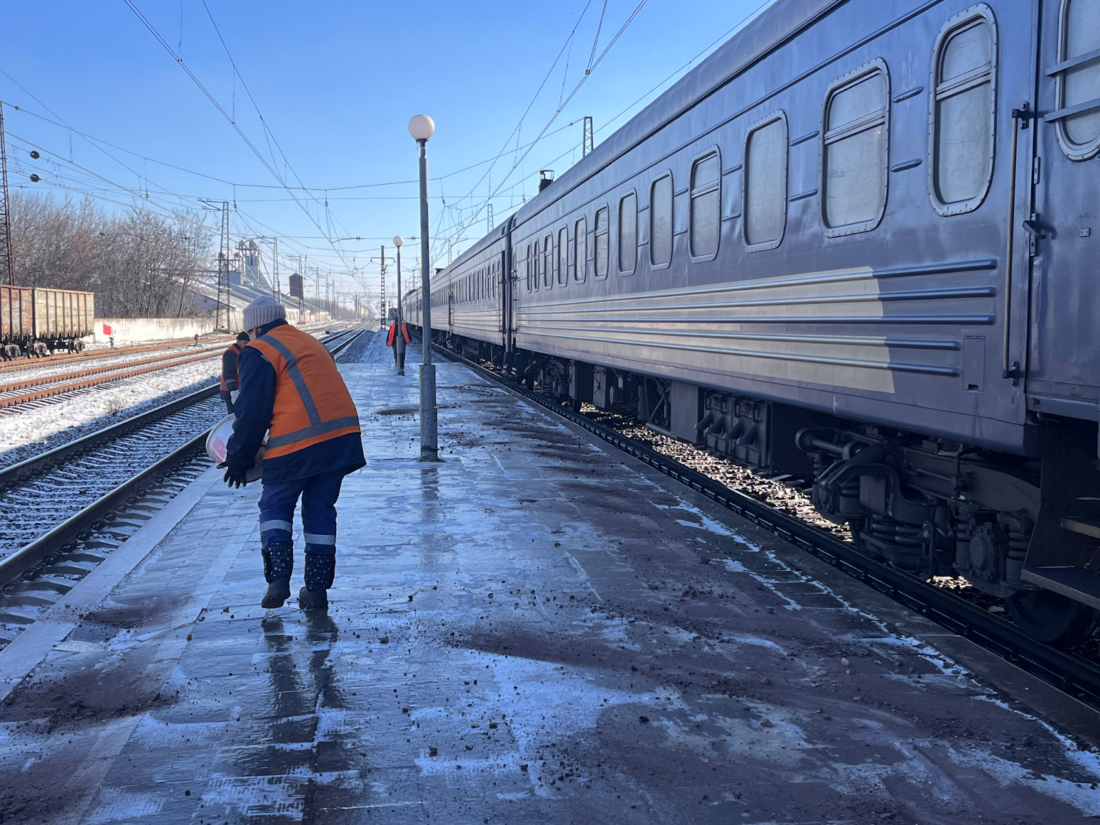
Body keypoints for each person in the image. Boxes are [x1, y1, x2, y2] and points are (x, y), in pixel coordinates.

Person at [222, 295, 365, 611]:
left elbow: (252, 412)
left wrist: (239, 459)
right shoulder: (308, 342)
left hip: (297, 443)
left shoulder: (259, 350)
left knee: (276, 503)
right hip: (341, 439)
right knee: (320, 507)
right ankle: (316, 590)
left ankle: (278, 580)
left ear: (254, 327)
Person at [220, 332, 250, 415]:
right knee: (234, 416)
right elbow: (228, 374)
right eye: (245, 343)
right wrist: (233, 391)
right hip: (230, 390)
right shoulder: (231, 353)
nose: (246, 345)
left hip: (235, 390)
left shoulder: (240, 352)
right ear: (238, 341)